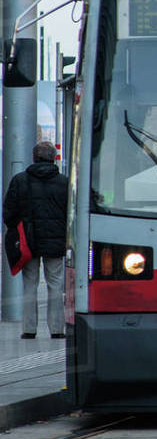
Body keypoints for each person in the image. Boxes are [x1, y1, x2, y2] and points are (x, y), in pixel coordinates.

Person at [3, 141, 69, 339]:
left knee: (30, 283)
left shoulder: (20, 180)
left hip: (27, 241)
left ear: (34, 158)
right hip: (55, 241)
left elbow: (8, 213)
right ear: (53, 158)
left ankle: (29, 329)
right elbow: (70, 213)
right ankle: (57, 329)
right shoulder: (64, 182)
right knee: (56, 284)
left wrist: (18, 230)